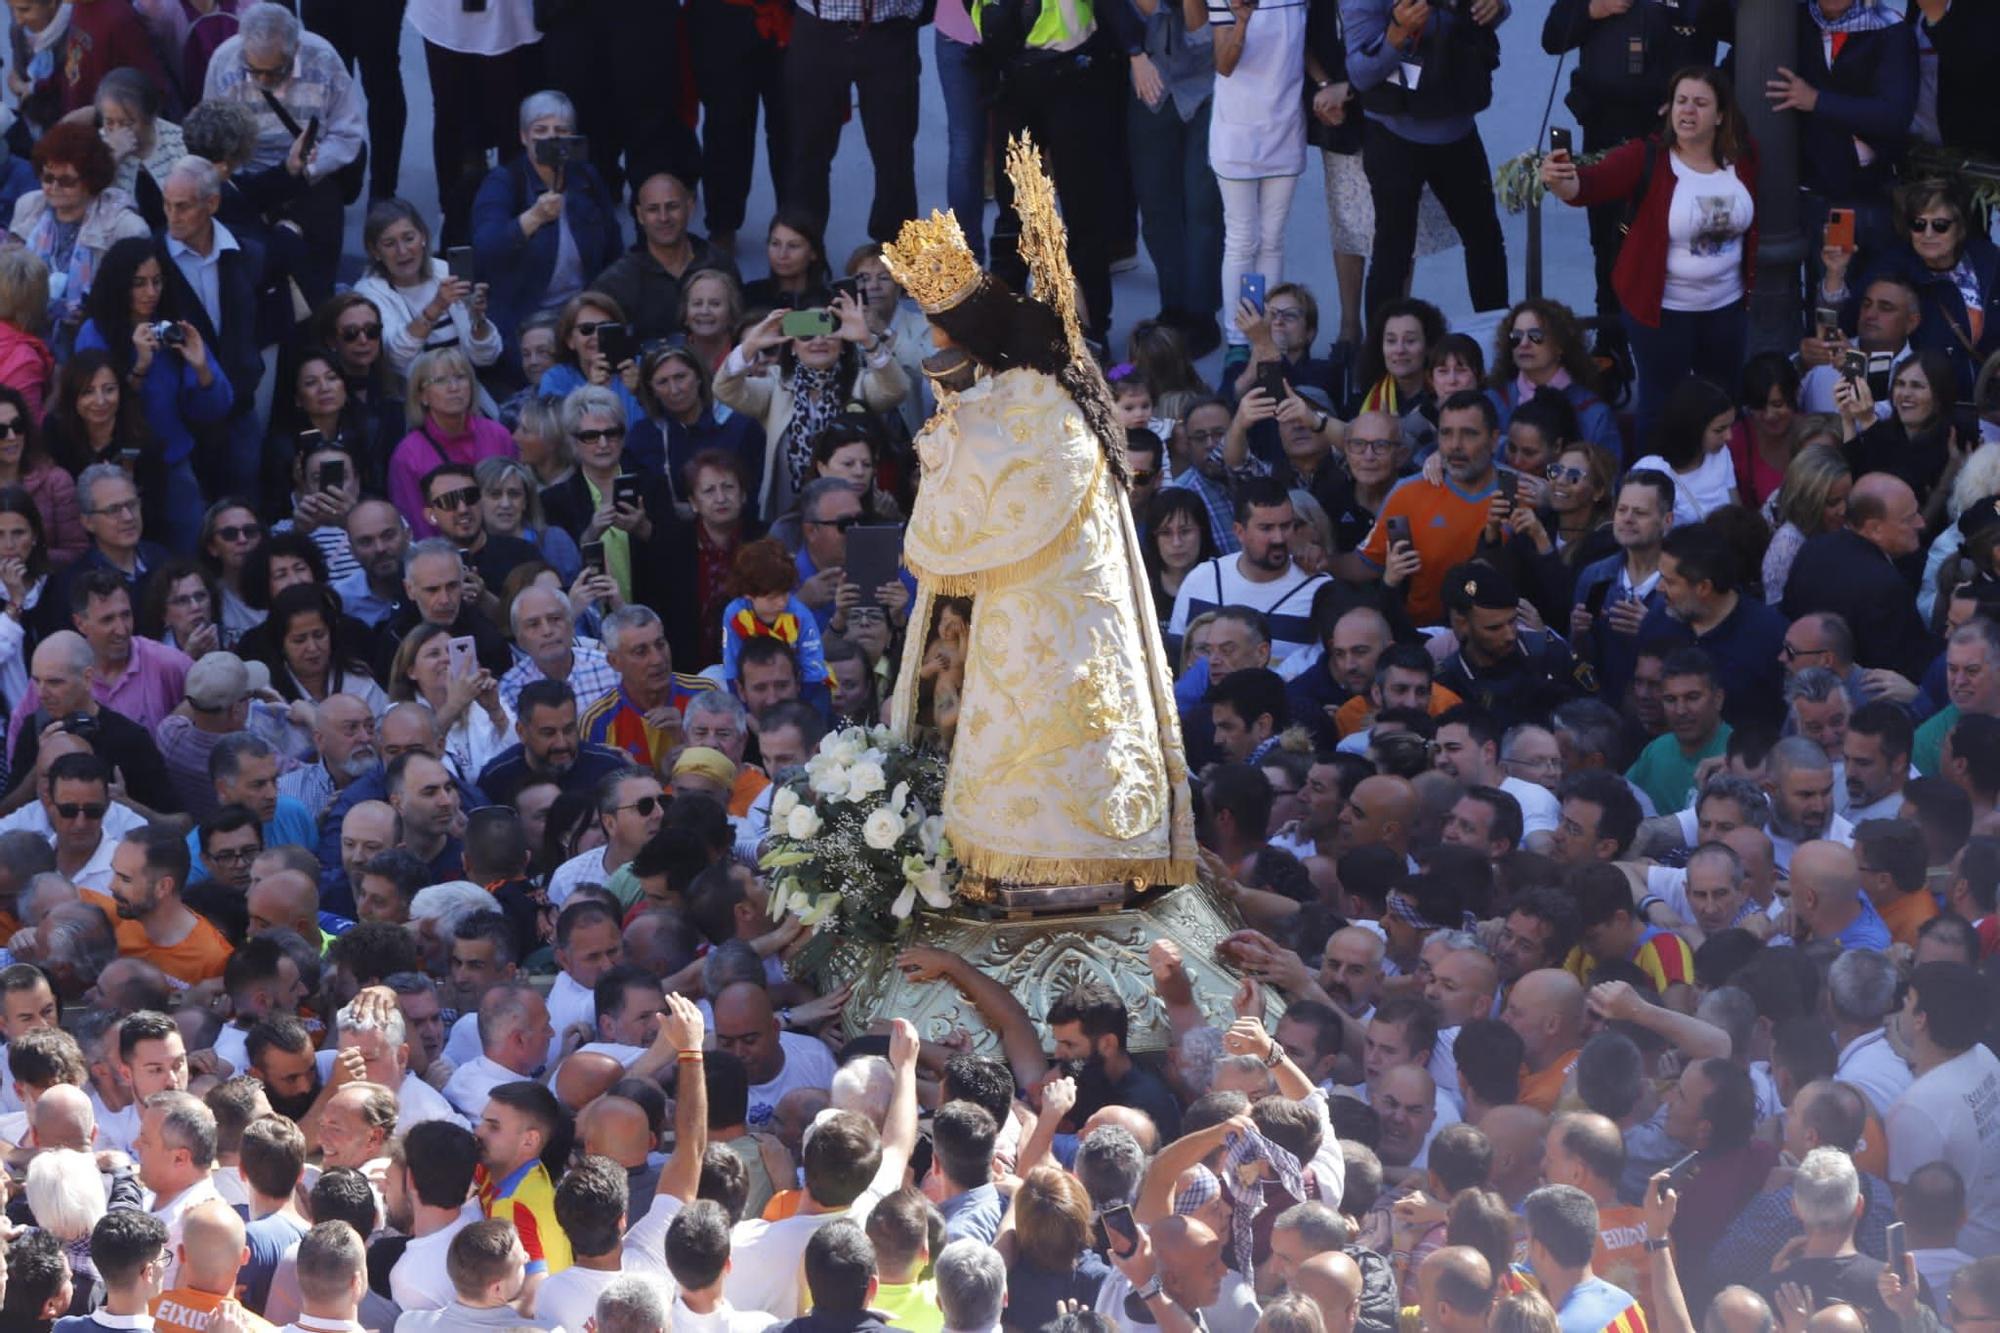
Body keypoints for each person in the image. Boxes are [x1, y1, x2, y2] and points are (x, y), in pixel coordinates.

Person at [1542, 67, 1755, 446]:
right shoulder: (1647, 156)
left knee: (1723, 403)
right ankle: (1650, 486)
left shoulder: (1744, 157)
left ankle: (1718, 488)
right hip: (1662, 310)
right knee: (1661, 405)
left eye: (1700, 103)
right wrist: (1563, 180)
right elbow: (1589, 185)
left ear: (1721, 115)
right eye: (1681, 101)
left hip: (1725, 307)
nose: (1687, 111)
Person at [469, 91, 623, 376]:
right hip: (525, 316)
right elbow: (484, 250)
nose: (551, 138)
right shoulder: (504, 182)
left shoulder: (586, 177)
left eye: (561, 131)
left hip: (580, 310)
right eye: (541, 130)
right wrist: (533, 218)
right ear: (524, 136)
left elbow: (613, 246)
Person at [8, 121, 150, 353]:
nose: (53, 187)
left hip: (97, 348)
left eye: (66, 181)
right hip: (28, 342)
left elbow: (138, 301)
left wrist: (93, 312)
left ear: (91, 180)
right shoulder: (28, 207)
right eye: (47, 178)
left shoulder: (126, 227)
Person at [1783, 473, 1936, 681]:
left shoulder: (1813, 549)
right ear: (1875, 529)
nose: (1921, 523)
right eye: (1909, 519)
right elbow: (1903, 666)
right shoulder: (1885, 586)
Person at [351, 197, 502, 382]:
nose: (403, 251)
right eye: (389, 244)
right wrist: (436, 307)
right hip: (410, 398)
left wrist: (478, 318)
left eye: (409, 238)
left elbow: (486, 357)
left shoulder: (444, 272)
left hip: (464, 391)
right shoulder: (368, 292)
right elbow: (395, 359)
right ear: (375, 251)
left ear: (422, 237)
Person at [1760, 446, 1851, 612]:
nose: (1844, 510)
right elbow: (1778, 611)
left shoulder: (1848, 525)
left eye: (1848, 498)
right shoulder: (1787, 545)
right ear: (1807, 501)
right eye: (1832, 502)